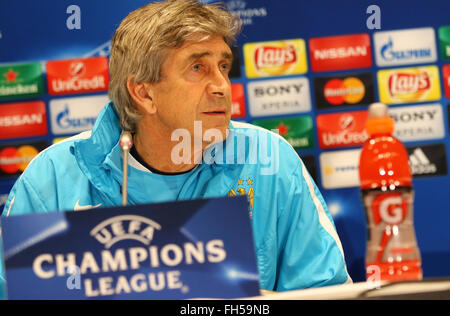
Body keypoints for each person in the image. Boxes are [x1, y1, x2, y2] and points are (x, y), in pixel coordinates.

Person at [1, 0, 351, 293]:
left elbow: (325, 292)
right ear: (144, 92)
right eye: (198, 67)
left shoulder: (269, 161)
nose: (222, 86)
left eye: (224, 66)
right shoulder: (53, 178)